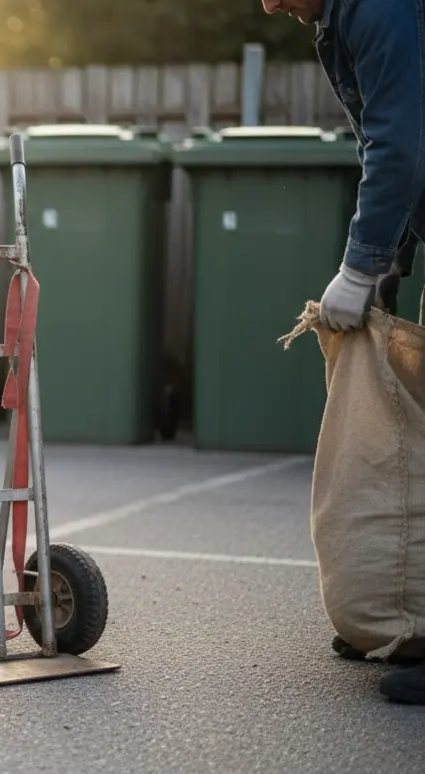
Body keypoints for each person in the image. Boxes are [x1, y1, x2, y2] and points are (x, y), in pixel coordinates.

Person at [263, 0, 425, 704]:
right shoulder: (336, 17)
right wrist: (392, 258)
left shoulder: (377, 5)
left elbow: (402, 141)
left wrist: (361, 266)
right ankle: (403, 617)